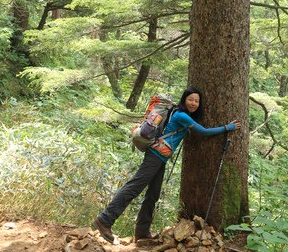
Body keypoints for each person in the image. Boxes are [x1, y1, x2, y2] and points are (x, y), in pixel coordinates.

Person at [92, 86, 240, 243]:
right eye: (190, 99)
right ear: (184, 100)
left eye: (197, 101)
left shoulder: (179, 114)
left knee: (153, 194)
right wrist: (227, 127)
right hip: (155, 156)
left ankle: (142, 231)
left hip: (160, 157)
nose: (194, 103)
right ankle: (105, 220)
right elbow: (204, 131)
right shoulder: (182, 116)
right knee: (134, 186)